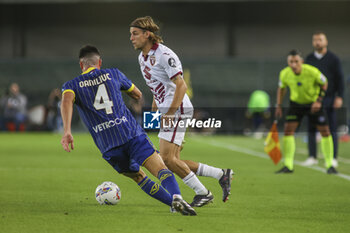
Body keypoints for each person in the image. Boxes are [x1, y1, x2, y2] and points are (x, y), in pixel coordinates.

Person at [60, 45, 196, 216]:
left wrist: (67, 131)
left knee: (139, 177)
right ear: (99, 62)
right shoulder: (114, 74)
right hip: (130, 133)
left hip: (108, 145)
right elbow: (137, 94)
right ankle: (177, 197)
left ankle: (172, 203)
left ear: (81, 65)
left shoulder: (71, 85)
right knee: (160, 168)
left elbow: (66, 102)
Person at [129, 16, 234, 207]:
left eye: (135, 34)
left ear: (147, 34)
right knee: (171, 160)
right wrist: (155, 111)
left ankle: (203, 192)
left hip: (177, 109)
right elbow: (157, 86)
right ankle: (220, 174)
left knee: (167, 159)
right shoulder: (142, 57)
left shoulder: (164, 54)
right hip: (166, 110)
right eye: (131, 34)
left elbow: (182, 85)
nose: (131, 38)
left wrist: (170, 113)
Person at [275, 49, 337, 174]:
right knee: (288, 131)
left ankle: (330, 165)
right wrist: (279, 105)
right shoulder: (284, 73)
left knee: (325, 132)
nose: (293, 65)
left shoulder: (312, 71)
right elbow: (281, 89)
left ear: (301, 61)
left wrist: (319, 101)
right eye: (290, 62)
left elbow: (324, 83)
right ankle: (288, 165)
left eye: (296, 61)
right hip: (296, 104)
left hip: (313, 104)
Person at [302, 32, 344, 168]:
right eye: (315, 40)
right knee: (311, 127)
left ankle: (332, 157)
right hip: (312, 99)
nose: (317, 42)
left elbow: (340, 79)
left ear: (325, 41)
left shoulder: (333, 59)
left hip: (329, 98)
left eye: (320, 39)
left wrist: (340, 96)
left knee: (331, 128)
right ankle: (312, 156)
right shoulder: (309, 59)